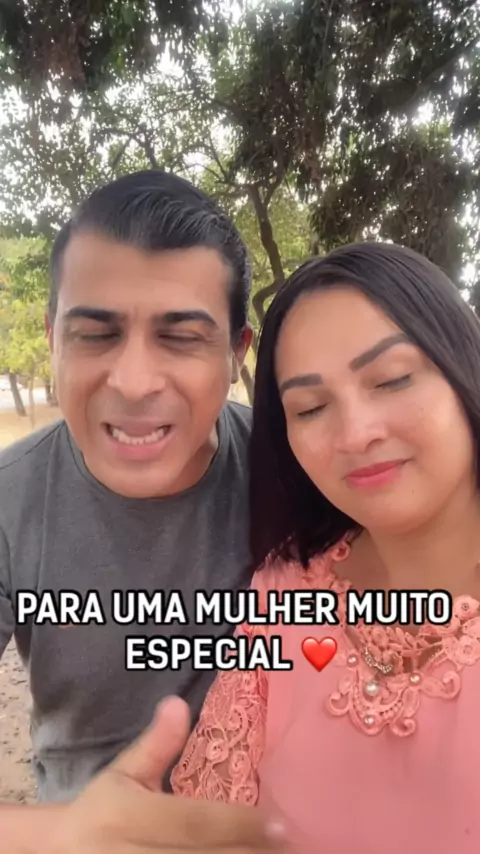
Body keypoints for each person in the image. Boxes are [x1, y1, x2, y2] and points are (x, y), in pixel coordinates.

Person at [1, 170, 287, 852]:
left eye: (180, 336)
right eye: (95, 334)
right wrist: (59, 835)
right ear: (53, 338)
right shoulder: (10, 500)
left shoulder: (297, 472)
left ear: (235, 353)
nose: (133, 383)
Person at [171, 242, 480, 853]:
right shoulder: (285, 588)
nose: (356, 434)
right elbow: (213, 819)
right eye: (310, 408)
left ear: (462, 363)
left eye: (392, 379)